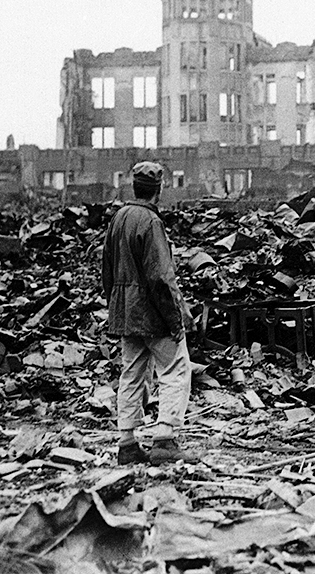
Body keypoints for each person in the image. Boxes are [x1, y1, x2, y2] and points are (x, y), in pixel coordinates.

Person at [101, 161, 193, 465]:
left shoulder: (118, 218)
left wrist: (117, 305)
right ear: (159, 190)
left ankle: (127, 443)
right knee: (176, 369)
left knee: (132, 373)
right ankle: (164, 438)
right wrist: (174, 320)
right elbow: (160, 277)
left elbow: (107, 271)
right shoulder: (151, 222)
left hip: (126, 313)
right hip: (152, 313)